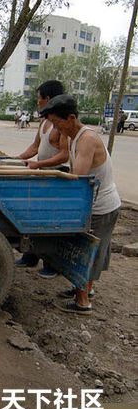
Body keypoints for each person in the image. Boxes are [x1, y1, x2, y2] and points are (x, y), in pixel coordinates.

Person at [39, 95, 121, 315]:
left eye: (57, 123)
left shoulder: (87, 139)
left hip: (102, 206)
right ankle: (82, 288)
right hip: (91, 202)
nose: (55, 128)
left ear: (72, 118)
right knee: (83, 248)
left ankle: (83, 301)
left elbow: (79, 177)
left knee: (90, 250)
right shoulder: (73, 136)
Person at [15, 80, 68, 275]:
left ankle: (51, 265)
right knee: (33, 216)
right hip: (43, 173)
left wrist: (40, 165)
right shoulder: (45, 122)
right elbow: (36, 147)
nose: (37, 102)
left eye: (39, 99)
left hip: (57, 175)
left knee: (51, 221)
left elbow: (64, 155)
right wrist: (16, 159)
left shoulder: (62, 124)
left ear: (49, 99)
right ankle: (31, 256)